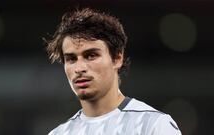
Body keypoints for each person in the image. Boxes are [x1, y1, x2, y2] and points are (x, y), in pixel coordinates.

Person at [46, 7, 182, 135]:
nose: (79, 68)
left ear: (117, 58)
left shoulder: (153, 125)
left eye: (91, 55)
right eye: (71, 59)